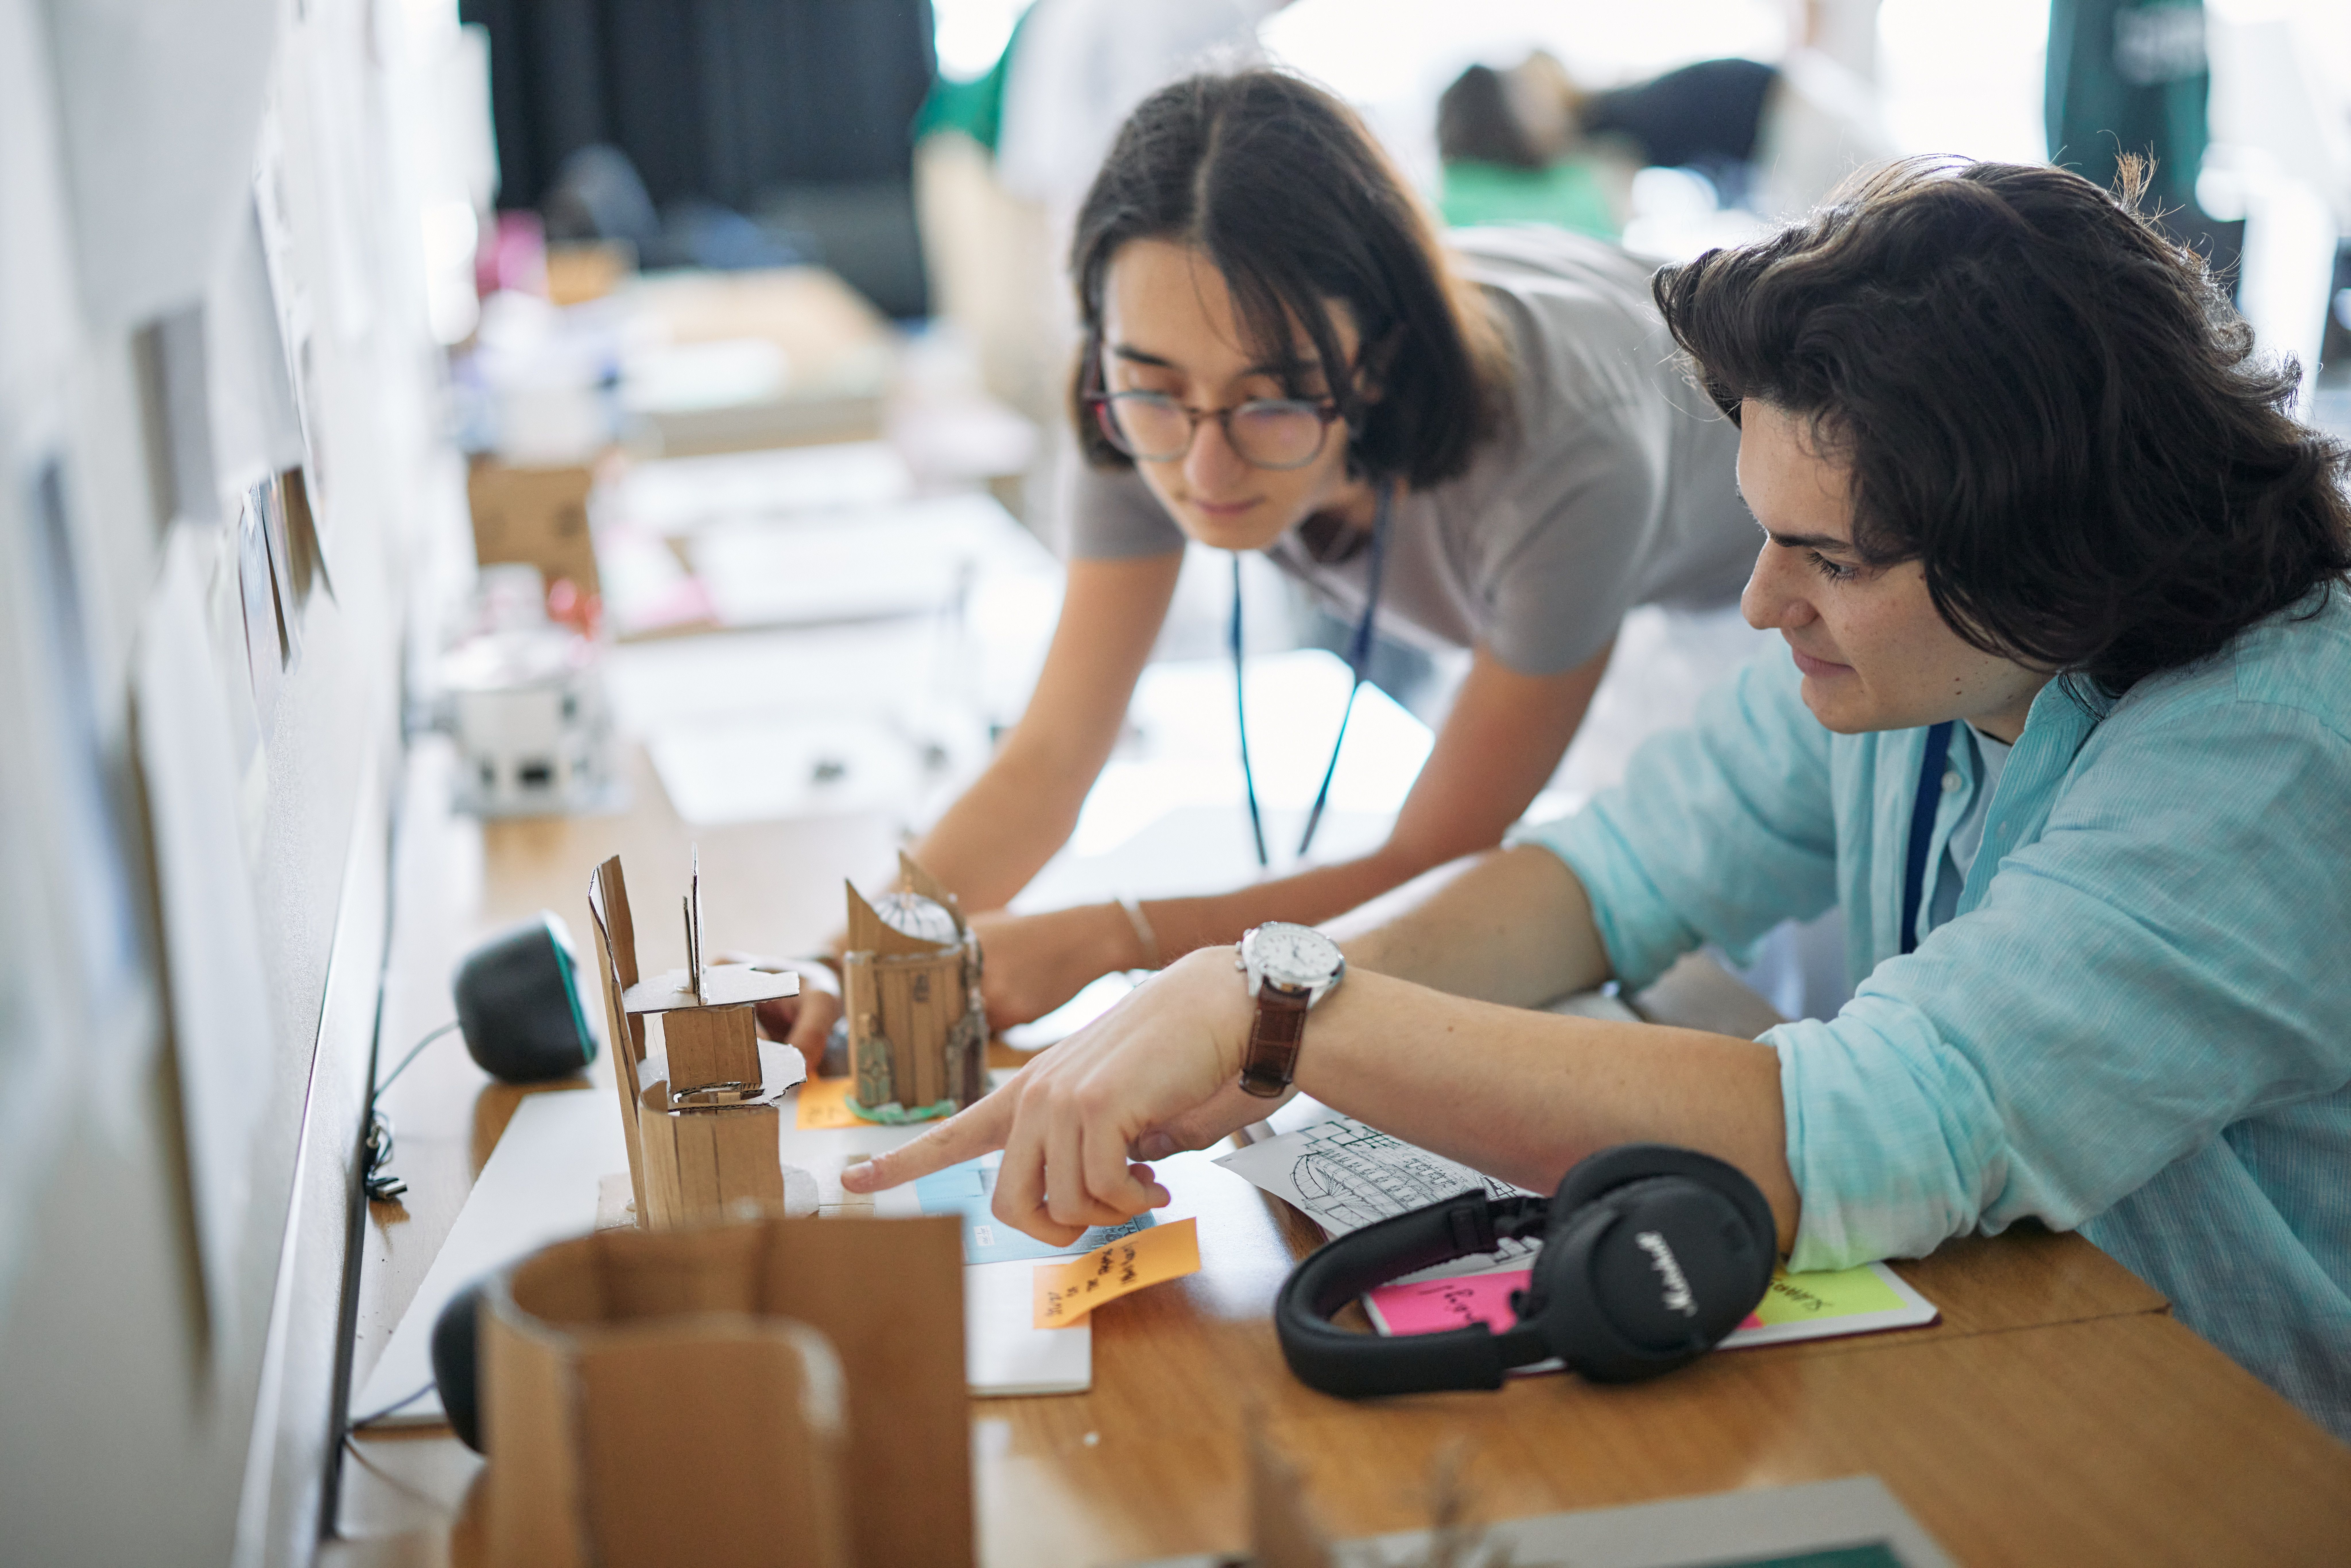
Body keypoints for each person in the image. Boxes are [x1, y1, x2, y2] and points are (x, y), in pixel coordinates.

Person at [844, 158, 2351, 1437]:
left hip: (2234, 1436)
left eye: (1829, 559)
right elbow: (1606, 873)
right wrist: (1258, 1010)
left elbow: (1862, 1127)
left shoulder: (2265, 756)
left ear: (2052, 541)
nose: (1762, 606)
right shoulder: (1942, 645)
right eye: (1768, 537)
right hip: (2035, 1347)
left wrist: (1283, 1013)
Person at [760, 70, 1761, 1061]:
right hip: (1584, 560)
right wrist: (846, 962)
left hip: (1757, 611)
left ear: (1376, 359)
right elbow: (1051, 758)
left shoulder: (1564, 450)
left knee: (1710, 975)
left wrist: (1115, 938)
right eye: (1151, 388)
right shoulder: (1134, 405)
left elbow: (1434, 866)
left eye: (1271, 399)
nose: (1203, 470)